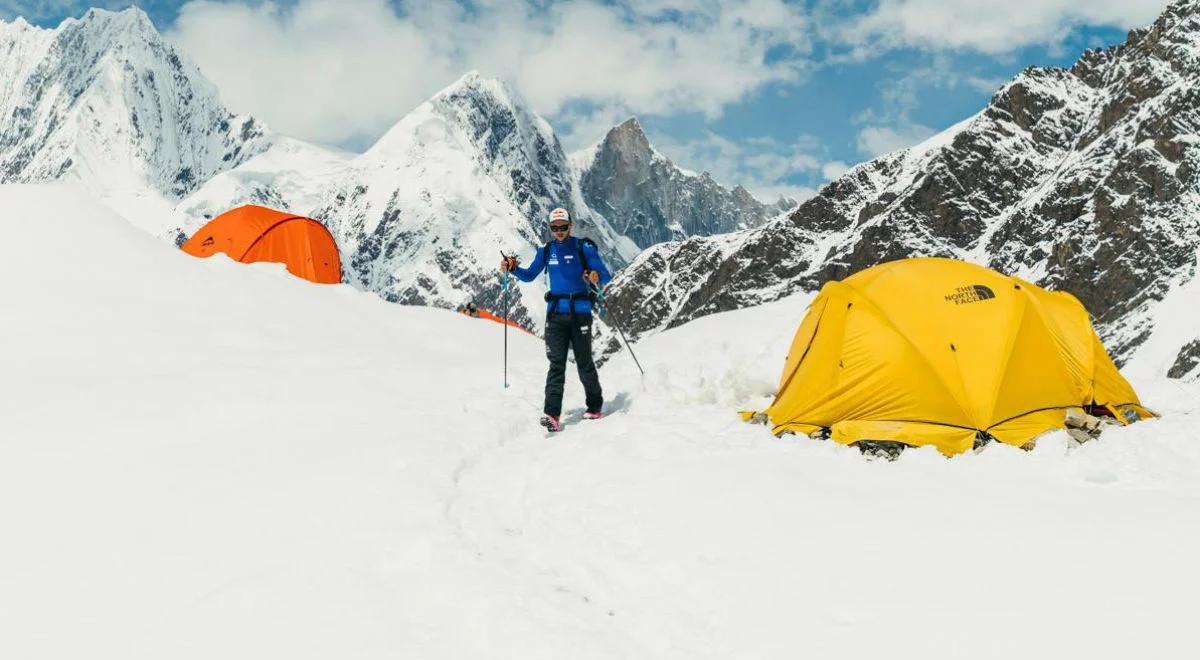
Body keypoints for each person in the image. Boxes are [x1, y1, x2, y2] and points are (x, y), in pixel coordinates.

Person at [501, 207, 611, 432]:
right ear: (550, 229)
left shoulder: (584, 247)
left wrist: (594, 275)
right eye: (555, 228)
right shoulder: (546, 250)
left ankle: (595, 406)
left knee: (584, 362)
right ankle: (551, 415)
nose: (559, 231)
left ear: (570, 226)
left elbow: (605, 274)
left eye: (563, 227)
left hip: (580, 312)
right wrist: (512, 268)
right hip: (556, 315)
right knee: (556, 365)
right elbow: (530, 274)